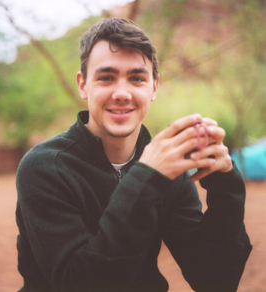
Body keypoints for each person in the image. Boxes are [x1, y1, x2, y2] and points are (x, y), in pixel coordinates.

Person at [16, 17, 252, 292]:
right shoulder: (44, 167)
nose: (122, 93)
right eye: (106, 77)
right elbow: (78, 283)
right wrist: (146, 179)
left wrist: (227, 186)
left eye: (137, 78)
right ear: (83, 85)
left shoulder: (167, 170)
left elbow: (214, 280)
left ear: (153, 87)